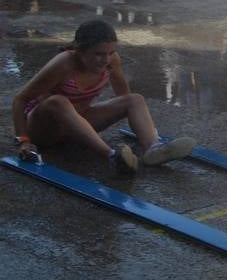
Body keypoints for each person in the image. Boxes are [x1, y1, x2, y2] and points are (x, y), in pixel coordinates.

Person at [10, 19, 195, 173]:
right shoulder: (64, 63)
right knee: (58, 101)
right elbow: (20, 99)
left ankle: (153, 148)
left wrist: (140, 125)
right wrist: (24, 141)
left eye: (111, 52)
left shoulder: (111, 61)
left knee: (135, 99)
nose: (105, 59)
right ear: (79, 50)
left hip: (79, 126)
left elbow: (124, 96)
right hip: (45, 130)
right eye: (98, 54)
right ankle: (112, 156)